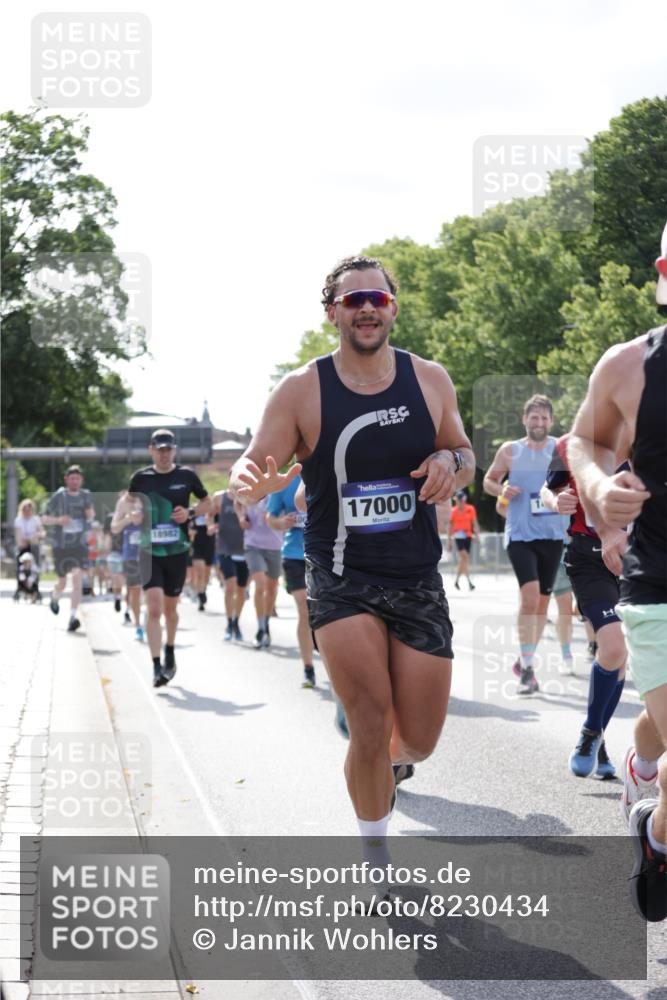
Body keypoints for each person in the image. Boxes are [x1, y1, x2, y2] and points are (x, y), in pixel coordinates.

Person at [230, 255, 474, 869]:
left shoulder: (429, 380)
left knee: (416, 740)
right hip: (341, 577)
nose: (367, 308)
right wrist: (247, 483)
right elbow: (253, 462)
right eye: (353, 300)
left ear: (393, 308)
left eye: (377, 299)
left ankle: (387, 764)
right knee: (368, 721)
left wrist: (450, 462)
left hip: (416, 577)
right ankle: (375, 856)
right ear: (332, 313)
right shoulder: (301, 389)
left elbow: (464, 451)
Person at [567, 223, 666, 922]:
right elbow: (585, 439)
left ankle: (648, 794)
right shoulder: (630, 365)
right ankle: (656, 829)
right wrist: (600, 492)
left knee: (658, 728)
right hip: (659, 583)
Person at [540, 432, 629, 778]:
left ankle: (598, 740)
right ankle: (591, 732)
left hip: (640, 561)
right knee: (613, 646)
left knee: (620, 657)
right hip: (589, 557)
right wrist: (556, 501)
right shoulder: (569, 444)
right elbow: (548, 490)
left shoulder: (652, 438)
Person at [483, 395, 564, 695]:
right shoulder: (510, 451)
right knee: (529, 598)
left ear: (551, 421)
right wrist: (501, 489)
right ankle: (528, 670)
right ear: (524, 420)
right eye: (534, 417)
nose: (539, 423)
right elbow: (489, 481)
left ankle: (525, 657)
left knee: (542, 603)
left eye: (544, 418)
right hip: (519, 534)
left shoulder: (561, 449)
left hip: (553, 534)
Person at [128, 429, 211, 687]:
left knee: (170, 610)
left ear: (174, 451)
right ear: (151, 450)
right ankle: (156, 667)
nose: (164, 455)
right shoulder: (140, 478)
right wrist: (135, 514)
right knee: (153, 607)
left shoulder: (186, 476)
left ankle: (170, 649)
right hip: (149, 551)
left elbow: (208, 503)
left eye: (168, 450)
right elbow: (129, 504)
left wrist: (190, 512)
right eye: (159, 450)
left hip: (177, 551)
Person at [266, 472, 316, 687]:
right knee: (304, 608)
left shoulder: (327, 470)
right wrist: (282, 522)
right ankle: (308, 668)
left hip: (325, 555)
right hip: (294, 554)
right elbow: (271, 518)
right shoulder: (284, 481)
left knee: (322, 611)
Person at [42, 465, 95, 632]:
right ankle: (55, 596)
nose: (75, 481)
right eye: (72, 478)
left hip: (79, 544)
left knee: (77, 578)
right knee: (63, 582)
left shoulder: (85, 496)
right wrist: (58, 520)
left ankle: (72, 617)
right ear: (66, 479)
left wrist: (89, 514)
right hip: (61, 545)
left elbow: (91, 516)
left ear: (82, 480)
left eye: (77, 478)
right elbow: (44, 518)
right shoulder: (60, 496)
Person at [236, 496, 283, 649]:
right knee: (260, 585)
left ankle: (266, 623)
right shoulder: (251, 489)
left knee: (272, 588)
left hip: (275, 546)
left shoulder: (278, 490)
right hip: (253, 545)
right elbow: (237, 501)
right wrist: (241, 517)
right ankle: (261, 628)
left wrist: (278, 520)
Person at [212, 489, 248, 642]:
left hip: (245, 549)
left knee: (241, 590)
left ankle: (236, 622)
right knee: (230, 586)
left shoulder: (250, 496)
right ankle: (228, 623)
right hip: (225, 549)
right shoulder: (219, 497)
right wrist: (210, 526)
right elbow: (209, 515)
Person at [111, 490, 145, 641]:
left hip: (149, 555)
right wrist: (127, 519)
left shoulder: (149, 500)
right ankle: (138, 625)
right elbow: (114, 528)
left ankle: (149, 618)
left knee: (151, 592)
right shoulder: (123, 503)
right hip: (130, 557)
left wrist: (144, 517)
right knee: (135, 591)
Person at [447, 489, 479, 591]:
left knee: (464, 559)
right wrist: (449, 541)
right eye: (456, 500)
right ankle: (469, 582)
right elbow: (450, 526)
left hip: (468, 536)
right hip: (458, 536)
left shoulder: (470, 509)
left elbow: (474, 523)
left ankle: (457, 581)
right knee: (464, 557)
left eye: (458, 500)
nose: (457, 502)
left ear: (463, 500)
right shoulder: (453, 511)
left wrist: (476, 535)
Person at [191, 509, 217, 611]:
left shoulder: (213, 513)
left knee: (206, 574)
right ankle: (200, 596)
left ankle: (203, 590)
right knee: (200, 573)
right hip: (197, 547)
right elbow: (189, 528)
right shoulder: (194, 514)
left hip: (209, 547)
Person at [14, 498, 45, 564]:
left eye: (28, 510)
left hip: (34, 544)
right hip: (23, 545)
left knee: (36, 561)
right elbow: (18, 535)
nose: (27, 512)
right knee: (20, 560)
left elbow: (42, 532)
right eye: (25, 510)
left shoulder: (36, 519)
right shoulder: (18, 520)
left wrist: (37, 535)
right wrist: (21, 544)